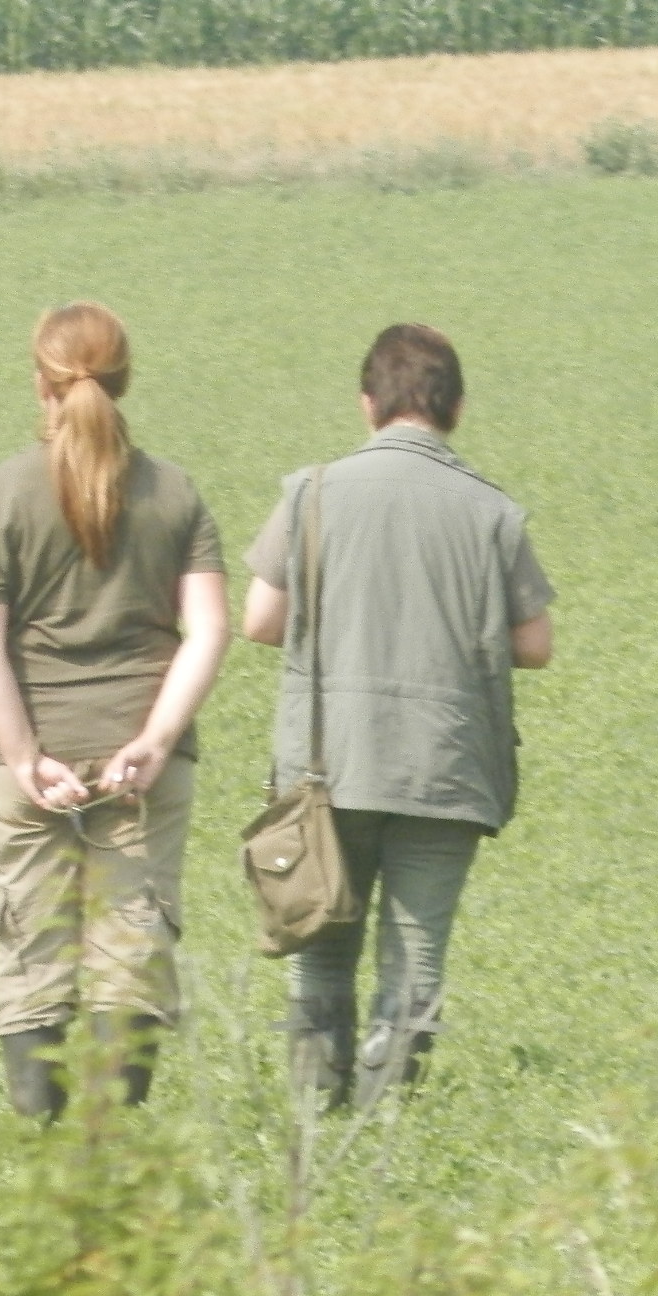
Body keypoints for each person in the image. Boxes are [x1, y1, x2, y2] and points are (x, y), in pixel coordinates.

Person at [242, 323, 555, 1112]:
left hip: (327, 766)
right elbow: (536, 643)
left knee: (320, 956)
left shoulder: (309, 493)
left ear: (368, 403)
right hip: (443, 768)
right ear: (455, 408)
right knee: (415, 960)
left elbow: (260, 621)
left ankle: (316, 1120)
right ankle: (386, 1136)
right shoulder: (491, 511)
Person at [0, 301, 230, 1119]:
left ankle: (42, 1145)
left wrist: (22, 758)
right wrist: (154, 739)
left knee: (30, 953)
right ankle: (116, 1158)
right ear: (126, 380)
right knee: (131, 951)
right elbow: (209, 630)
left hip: (20, 766)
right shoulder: (174, 494)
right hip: (141, 767)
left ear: (40, 381)